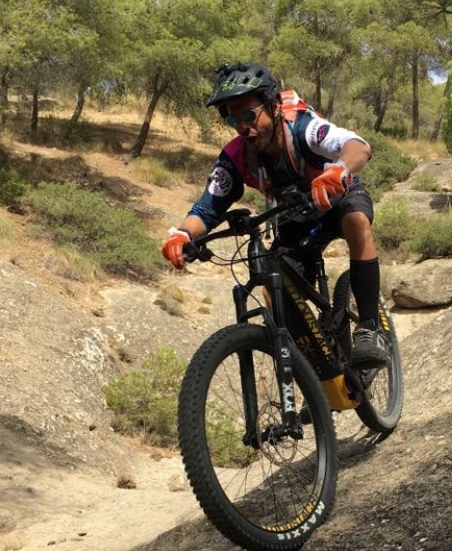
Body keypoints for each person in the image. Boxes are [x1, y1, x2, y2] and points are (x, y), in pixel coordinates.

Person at [161, 61, 389, 368]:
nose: (243, 126)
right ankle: (313, 372)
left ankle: (369, 329)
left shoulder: (305, 129)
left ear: (274, 106)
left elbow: (358, 147)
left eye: (249, 115)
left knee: (356, 220)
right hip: (296, 217)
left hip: (337, 199)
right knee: (273, 293)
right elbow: (207, 207)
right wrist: (182, 234)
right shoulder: (236, 156)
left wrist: (339, 169)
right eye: (233, 119)